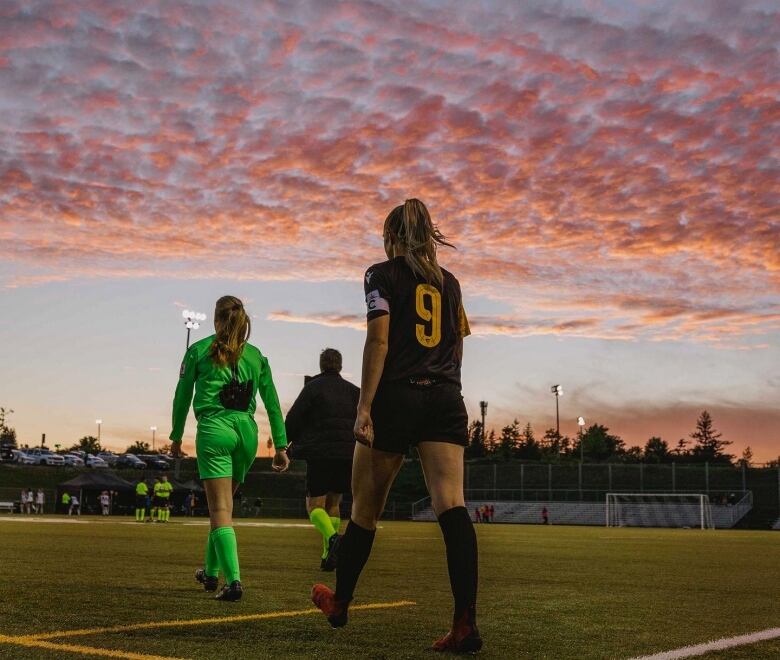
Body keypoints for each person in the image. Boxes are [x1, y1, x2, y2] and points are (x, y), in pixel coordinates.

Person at [311, 199, 481, 652]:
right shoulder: (452, 284)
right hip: (445, 396)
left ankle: (341, 602)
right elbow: (457, 347)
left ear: (393, 236)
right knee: (452, 505)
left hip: (398, 396)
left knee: (364, 510)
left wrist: (364, 406)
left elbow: (379, 339)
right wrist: (448, 390)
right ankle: (465, 622)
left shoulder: (380, 274)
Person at [169, 295, 289, 601]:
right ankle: (210, 573)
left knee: (220, 509)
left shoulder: (197, 350)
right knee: (222, 508)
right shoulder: (257, 356)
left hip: (215, 430)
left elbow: (182, 396)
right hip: (246, 433)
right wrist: (281, 444)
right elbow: (273, 404)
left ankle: (234, 581)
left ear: (216, 319)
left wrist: (176, 435)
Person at [285, 348, 359, 571]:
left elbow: (293, 418)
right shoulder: (354, 391)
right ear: (340, 366)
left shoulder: (313, 388)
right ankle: (328, 556)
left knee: (314, 505)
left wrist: (288, 443)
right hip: (347, 453)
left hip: (320, 453)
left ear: (321, 365)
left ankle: (334, 539)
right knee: (334, 504)